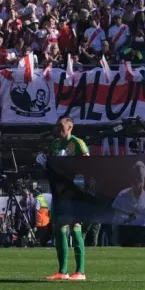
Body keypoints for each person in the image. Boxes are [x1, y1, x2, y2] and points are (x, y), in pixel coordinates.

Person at [45, 116, 89, 280]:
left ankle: (80, 271)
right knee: (59, 228)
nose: (58, 129)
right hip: (59, 190)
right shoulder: (55, 144)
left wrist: (70, 164)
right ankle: (62, 271)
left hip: (74, 190)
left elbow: (88, 166)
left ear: (70, 127)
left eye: (61, 126)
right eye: (57, 126)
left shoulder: (78, 143)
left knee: (75, 225)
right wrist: (46, 162)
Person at [111, 160, 145, 227]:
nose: (138, 184)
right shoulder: (122, 196)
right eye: (135, 179)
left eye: (140, 180)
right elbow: (116, 220)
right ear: (131, 180)